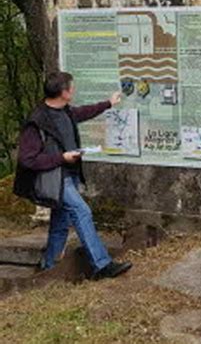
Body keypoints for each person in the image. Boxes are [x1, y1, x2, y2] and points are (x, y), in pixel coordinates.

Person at [14, 71, 132, 280]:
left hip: (69, 174)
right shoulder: (37, 121)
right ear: (64, 93)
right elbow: (27, 159)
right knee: (82, 211)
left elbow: (83, 112)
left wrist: (108, 103)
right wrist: (62, 157)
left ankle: (48, 266)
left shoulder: (65, 111)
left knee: (61, 221)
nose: (74, 89)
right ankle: (102, 265)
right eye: (71, 87)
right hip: (57, 178)